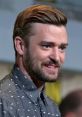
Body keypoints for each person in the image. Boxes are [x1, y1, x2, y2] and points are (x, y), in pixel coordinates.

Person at [0, 4, 68, 117]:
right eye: (46, 46)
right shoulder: (3, 102)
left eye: (62, 48)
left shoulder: (53, 109)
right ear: (21, 46)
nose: (56, 57)